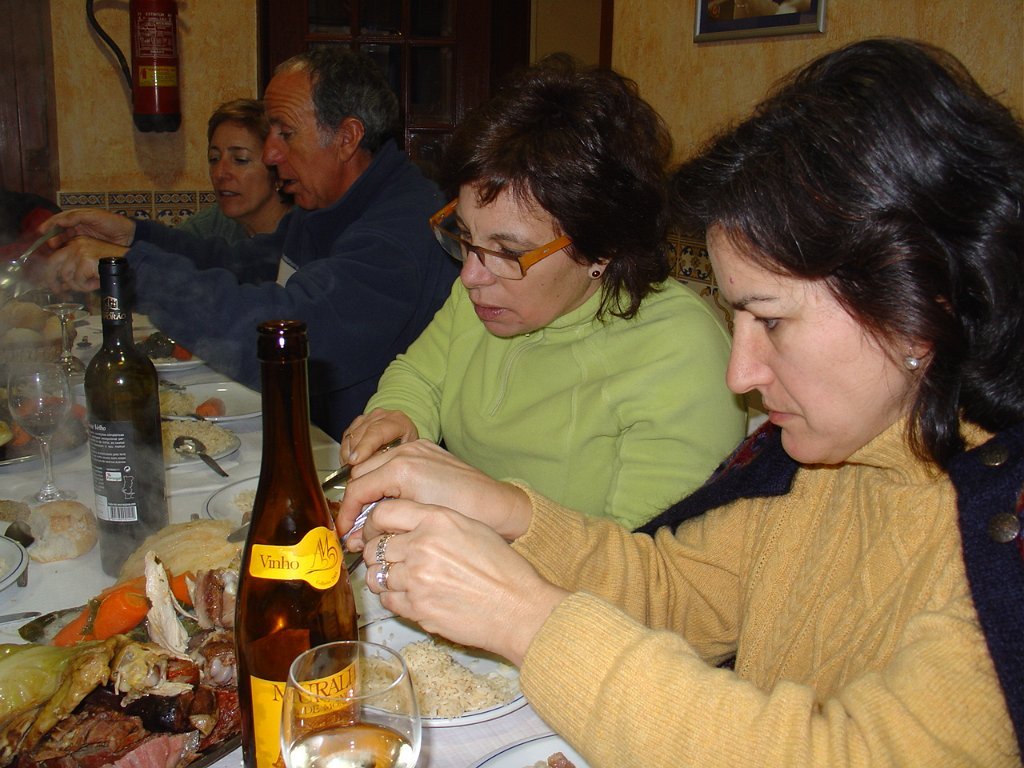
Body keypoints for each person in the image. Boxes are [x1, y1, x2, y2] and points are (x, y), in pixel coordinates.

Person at [336, 38, 1024, 765]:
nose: (739, 374)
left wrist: (524, 619)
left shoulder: (999, 535)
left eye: (771, 320)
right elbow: (675, 591)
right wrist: (506, 510)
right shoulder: (833, 466)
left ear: (920, 305)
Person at [341, 56, 746, 527]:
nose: (470, 275)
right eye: (466, 236)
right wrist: (396, 419)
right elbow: (421, 376)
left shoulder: (679, 352)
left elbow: (648, 556)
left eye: (509, 251)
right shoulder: (485, 294)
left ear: (602, 248)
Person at [36, 48, 459, 436]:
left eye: (285, 133)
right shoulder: (327, 204)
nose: (271, 154)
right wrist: (134, 236)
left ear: (347, 137)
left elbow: (292, 331)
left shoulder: (402, 231)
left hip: (357, 458)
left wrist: (133, 273)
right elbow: (241, 266)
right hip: (306, 429)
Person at [177, 98, 292, 242]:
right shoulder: (209, 228)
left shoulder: (308, 232)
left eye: (240, 160)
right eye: (214, 159)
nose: (219, 173)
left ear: (279, 171)